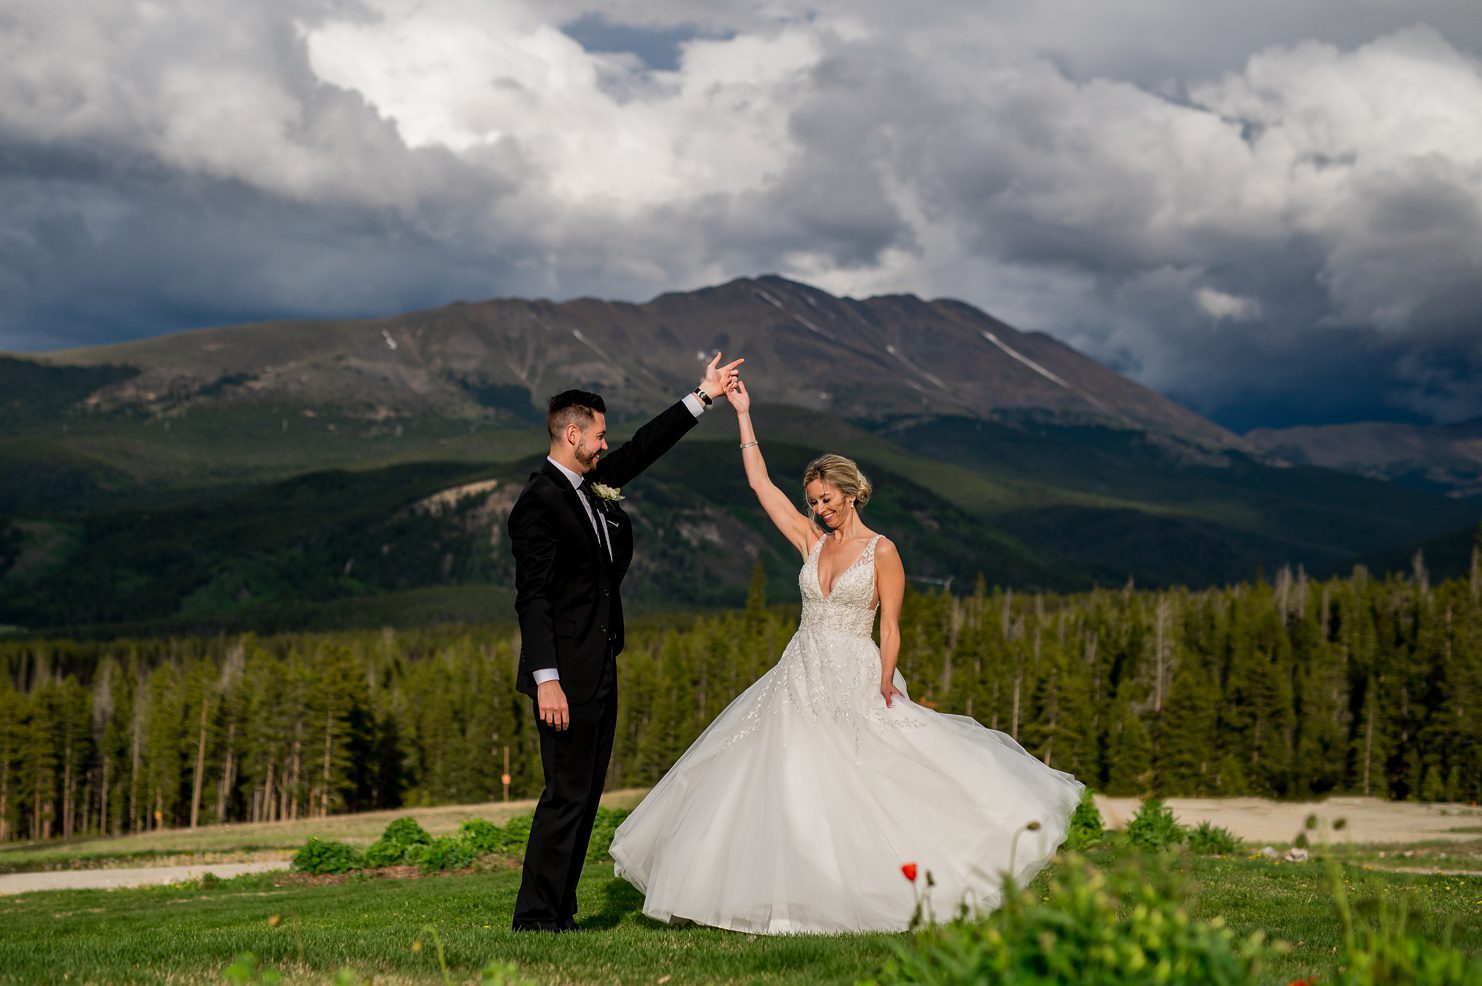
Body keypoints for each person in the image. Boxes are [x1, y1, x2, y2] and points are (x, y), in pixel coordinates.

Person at [609, 376, 1084, 935]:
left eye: (826, 500)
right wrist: (742, 415)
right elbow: (761, 486)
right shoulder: (811, 542)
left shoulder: (883, 550)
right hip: (799, 673)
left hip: (856, 671)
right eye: (813, 502)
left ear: (851, 493)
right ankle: (787, 901)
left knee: (868, 777)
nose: (819, 509)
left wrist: (886, 682)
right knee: (789, 777)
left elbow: (891, 626)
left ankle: (891, 883)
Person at [509, 353, 743, 933]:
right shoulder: (538, 502)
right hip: (562, 677)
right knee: (564, 794)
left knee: (585, 794)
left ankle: (559, 911)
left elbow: (643, 448)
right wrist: (548, 681)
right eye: (599, 434)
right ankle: (536, 917)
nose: (606, 444)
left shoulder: (593, 487)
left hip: (599, 665)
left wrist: (703, 396)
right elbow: (531, 600)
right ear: (572, 433)